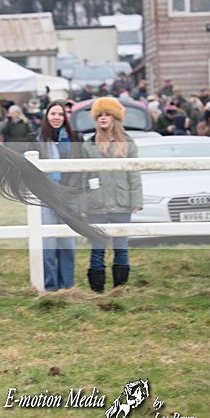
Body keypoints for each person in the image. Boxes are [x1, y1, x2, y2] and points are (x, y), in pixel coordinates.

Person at [82, 97, 143, 292]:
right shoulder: (89, 145)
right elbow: (85, 176)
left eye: (107, 114)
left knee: (121, 246)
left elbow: (134, 173)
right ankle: (97, 289)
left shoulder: (128, 143)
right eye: (100, 115)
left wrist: (136, 200)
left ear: (115, 118)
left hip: (122, 201)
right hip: (97, 203)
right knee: (97, 246)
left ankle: (120, 288)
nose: (103, 118)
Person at [29, 100, 82, 291]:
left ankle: (67, 286)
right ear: (47, 116)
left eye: (60, 114)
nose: (57, 117)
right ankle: (50, 285)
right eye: (53, 114)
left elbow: (80, 168)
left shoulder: (76, 138)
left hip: (69, 196)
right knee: (48, 243)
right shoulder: (35, 139)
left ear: (65, 117)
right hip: (46, 196)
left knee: (67, 242)